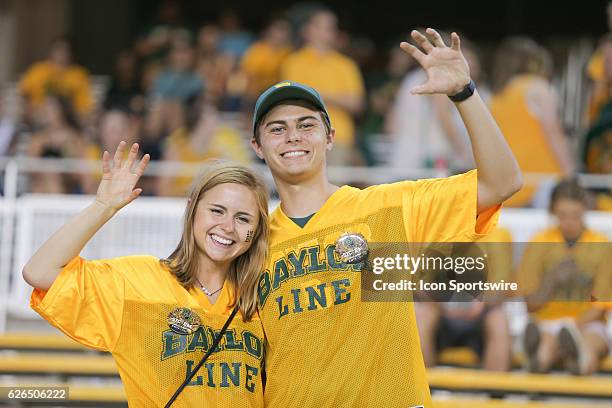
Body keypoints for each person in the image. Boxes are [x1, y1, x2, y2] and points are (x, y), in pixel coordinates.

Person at [250, 28, 522, 407]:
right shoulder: (250, 241)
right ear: (258, 147)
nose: (292, 136)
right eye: (277, 129)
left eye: (306, 125)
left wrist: (464, 93)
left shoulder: (389, 209)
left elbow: (503, 181)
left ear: (330, 136)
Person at [23, 142, 269, 406]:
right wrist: (103, 206)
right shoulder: (139, 282)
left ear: (255, 231)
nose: (228, 227)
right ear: (192, 209)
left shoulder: (265, 297)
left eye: (243, 219)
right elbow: (39, 271)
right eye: (216, 210)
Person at [518, 179, 610, 375]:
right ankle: (538, 360)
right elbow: (530, 303)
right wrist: (552, 279)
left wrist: (569, 328)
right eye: (562, 215)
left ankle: (579, 360)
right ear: (553, 212)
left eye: (576, 215)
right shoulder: (539, 242)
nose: (569, 222)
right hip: (547, 322)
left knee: (589, 345)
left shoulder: (601, 245)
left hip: (587, 325)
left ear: (585, 211)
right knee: (546, 345)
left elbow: (601, 306)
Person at [490, 37, 574, 208]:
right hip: (543, 180)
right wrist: (569, 172)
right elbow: (553, 132)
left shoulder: (496, 96)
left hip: (508, 180)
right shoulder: (538, 87)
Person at [280, 6, 365, 165]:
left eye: (332, 28)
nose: (328, 32)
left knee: (335, 188)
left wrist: (317, 94)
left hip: (338, 138)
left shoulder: (345, 65)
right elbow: (291, 100)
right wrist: (337, 97)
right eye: (322, 26)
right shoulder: (293, 62)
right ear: (307, 30)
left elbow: (356, 103)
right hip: (302, 137)